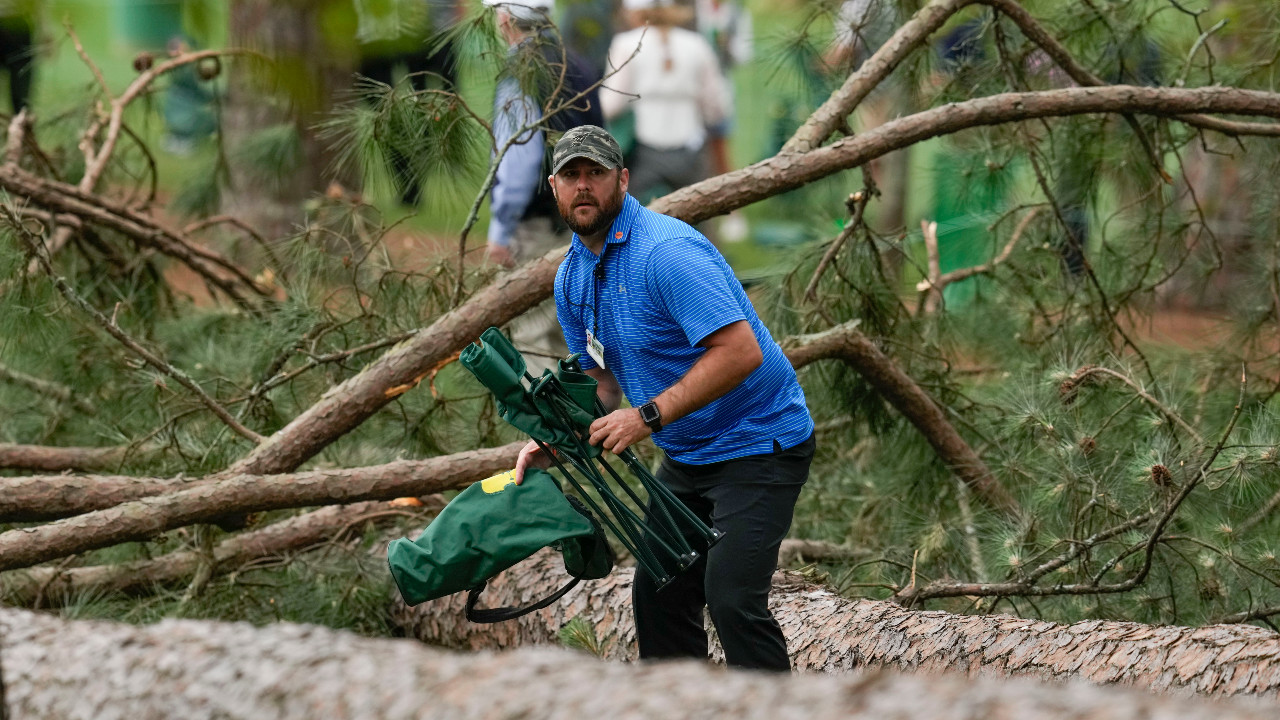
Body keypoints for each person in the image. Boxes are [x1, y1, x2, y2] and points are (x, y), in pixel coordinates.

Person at [516, 125, 816, 671]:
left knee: (732, 601)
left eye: (596, 174)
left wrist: (648, 416)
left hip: (760, 443)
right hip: (688, 454)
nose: (583, 187)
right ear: (554, 187)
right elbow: (601, 386)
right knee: (657, 597)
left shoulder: (666, 253)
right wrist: (557, 440)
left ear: (623, 180)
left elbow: (740, 352)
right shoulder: (571, 277)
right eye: (571, 176)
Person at [484, 0, 605, 370]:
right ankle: (585, 425)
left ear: (504, 19)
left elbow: (519, 161)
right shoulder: (578, 65)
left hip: (536, 227)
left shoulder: (520, 74)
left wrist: (500, 229)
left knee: (535, 339)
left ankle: (551, 430)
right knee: (573, 342)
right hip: (582, 225)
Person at [600, 0, 730, 204]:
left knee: (630, 212)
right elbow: (716, 106)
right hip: (690, 147)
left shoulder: (626, 44)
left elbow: (613, 103)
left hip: (645, 149)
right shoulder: (697, 44)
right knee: (699, 210)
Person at [0, 0, 38, 114]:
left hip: (18, 22)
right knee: (21, 93)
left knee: (21, 94)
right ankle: (20, 123)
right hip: (18, 22)